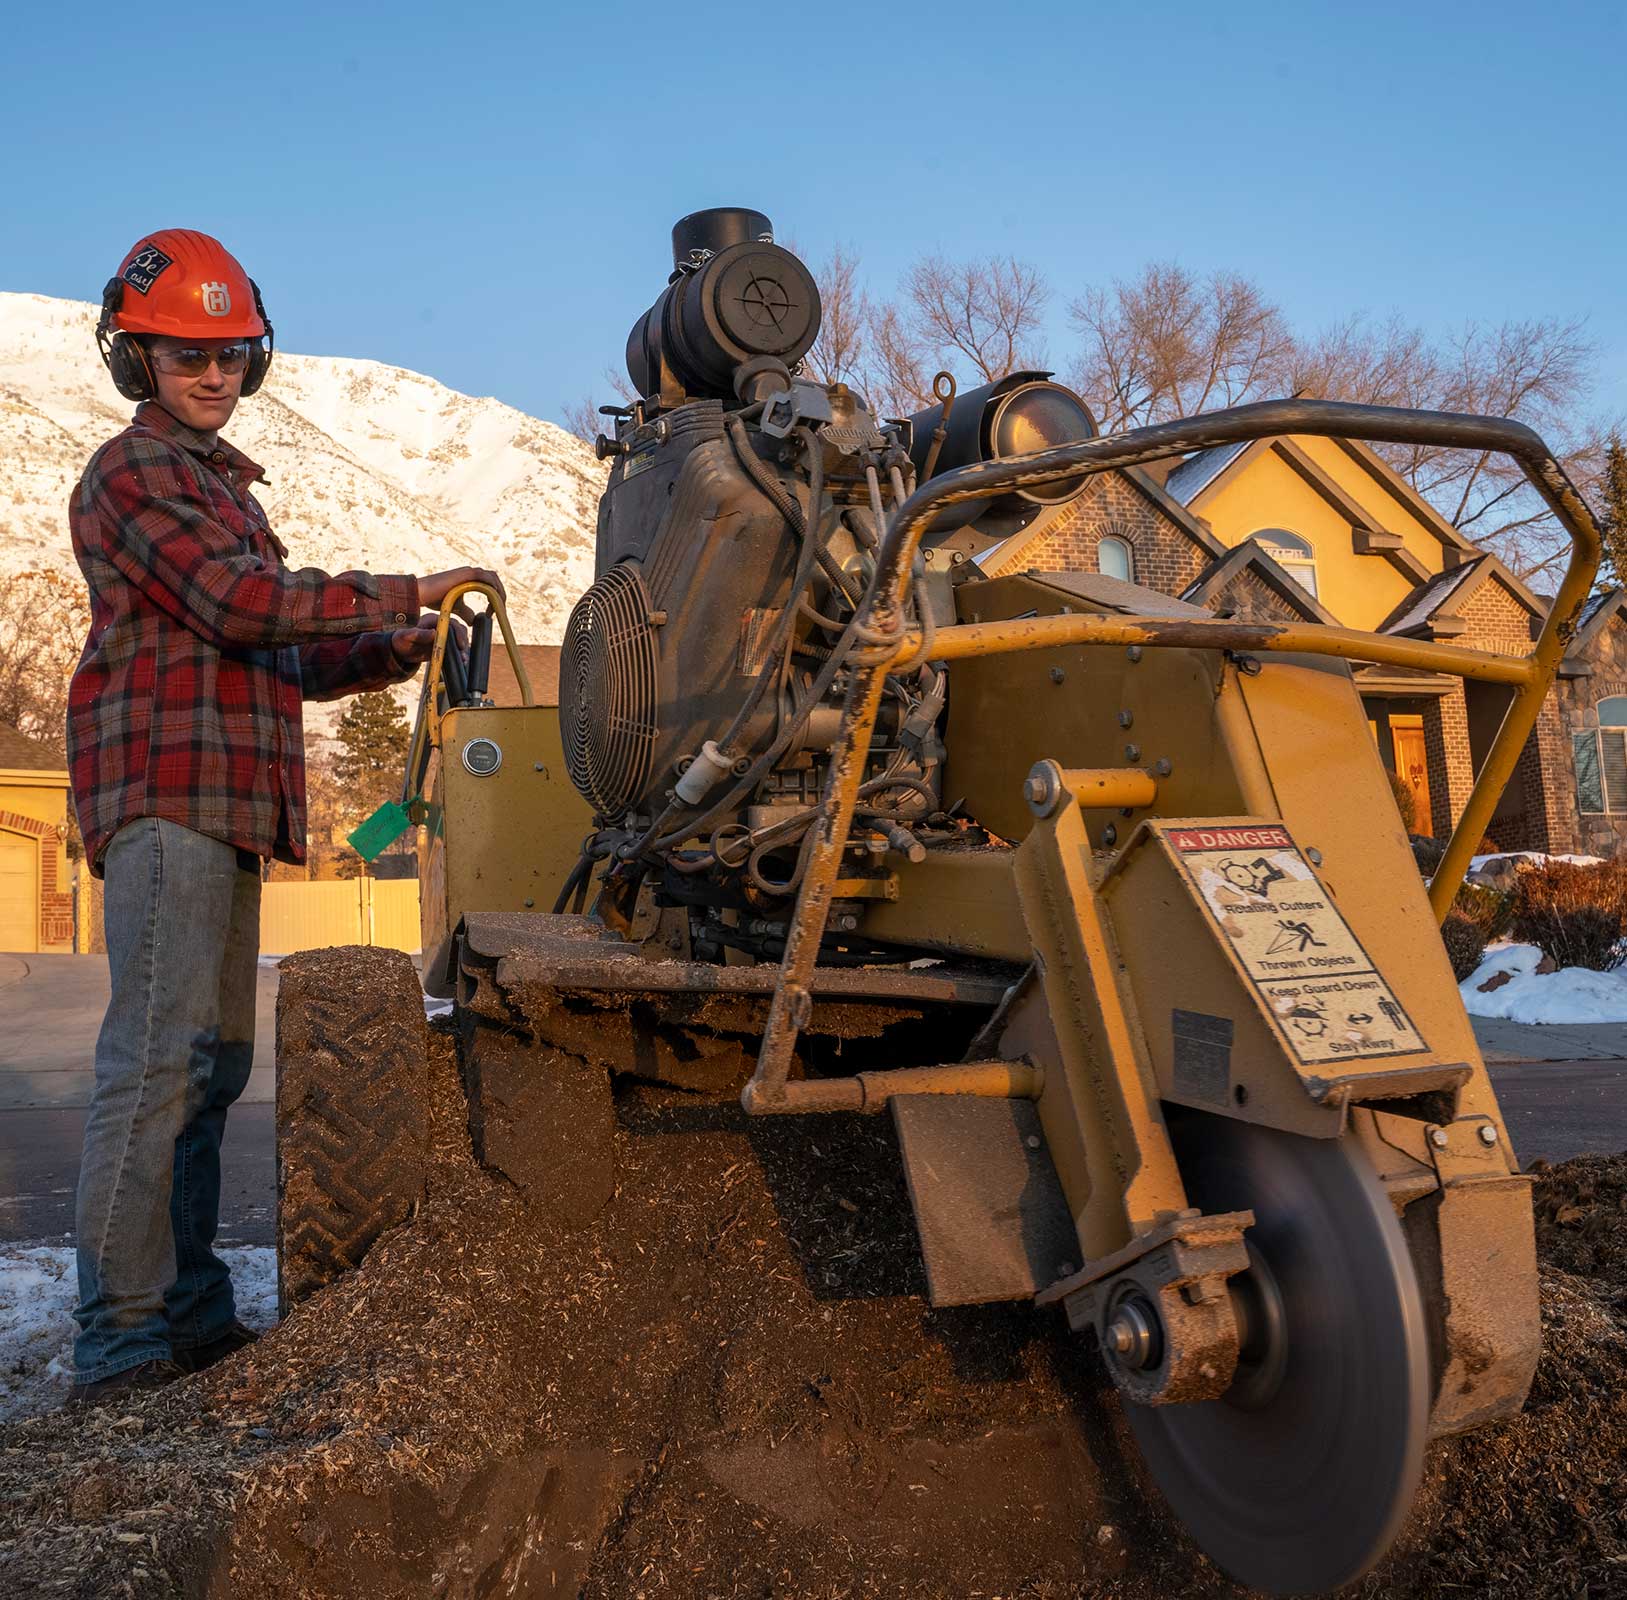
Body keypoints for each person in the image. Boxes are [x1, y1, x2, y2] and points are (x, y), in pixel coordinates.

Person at [65, 228, 503, 1406]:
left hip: (228, 802)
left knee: (209, 1068)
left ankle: (192, 1315)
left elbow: (273, 656)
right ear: (135, 358)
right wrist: (404, 584)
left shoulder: (219, 490)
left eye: (231, 355)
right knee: (155, 1064)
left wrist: (385, 645)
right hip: (164, 798)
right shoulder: (135, 472)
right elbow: (242, 603)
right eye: (184, 354)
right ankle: (117, 1337)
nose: (211, 375)